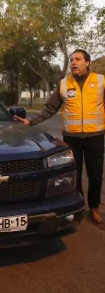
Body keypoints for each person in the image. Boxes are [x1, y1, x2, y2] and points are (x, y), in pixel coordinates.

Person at [15, 49, 104, 224]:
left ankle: (93, 207)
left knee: (96, 175)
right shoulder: (64, 84)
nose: (73, 63)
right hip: (72, 138)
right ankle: (78, 207)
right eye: (71, 60)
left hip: (95, 136)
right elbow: (50, 108)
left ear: (87, 62)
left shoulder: (101, 81)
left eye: (77, 59)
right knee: (74, 174)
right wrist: (31, 122)